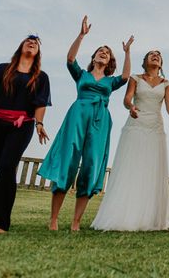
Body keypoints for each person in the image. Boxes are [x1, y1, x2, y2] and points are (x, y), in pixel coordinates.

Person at [39, 16, 132, 231]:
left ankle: (76, 221)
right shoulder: (81, 74)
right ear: (94, 56)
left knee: (91, 164)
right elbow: (70, 58)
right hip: (78, 116)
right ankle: (54, 218)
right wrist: (81, 36)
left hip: (100, 121)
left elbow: (126, 76)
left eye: (107, 53)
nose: (103, 53)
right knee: (68, 161)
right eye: (101, 50)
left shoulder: (110, 81)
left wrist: (127, 51)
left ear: (110, 62)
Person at [91, 49, 169, 231]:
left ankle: (149, 217)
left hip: (155, 127)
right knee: (131, 167)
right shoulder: (135, 78)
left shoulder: (166, 83)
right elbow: (127, 98)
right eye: (151, 54)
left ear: (161, 62)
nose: (155, 56)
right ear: (145, 61)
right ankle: (125, 214)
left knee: (151, 169)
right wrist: (130, 107)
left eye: (158, 54)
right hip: (136, 124)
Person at [0, 35, 51, 234]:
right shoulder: (2, 69)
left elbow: (40, 103)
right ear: (21, 47)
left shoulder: (41, 77)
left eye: (35, 43)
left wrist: (39, 124)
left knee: (7, 167)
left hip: (21, 125)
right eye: (28, 41)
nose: (32, 43)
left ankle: (0, 223)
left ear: (38, 52)